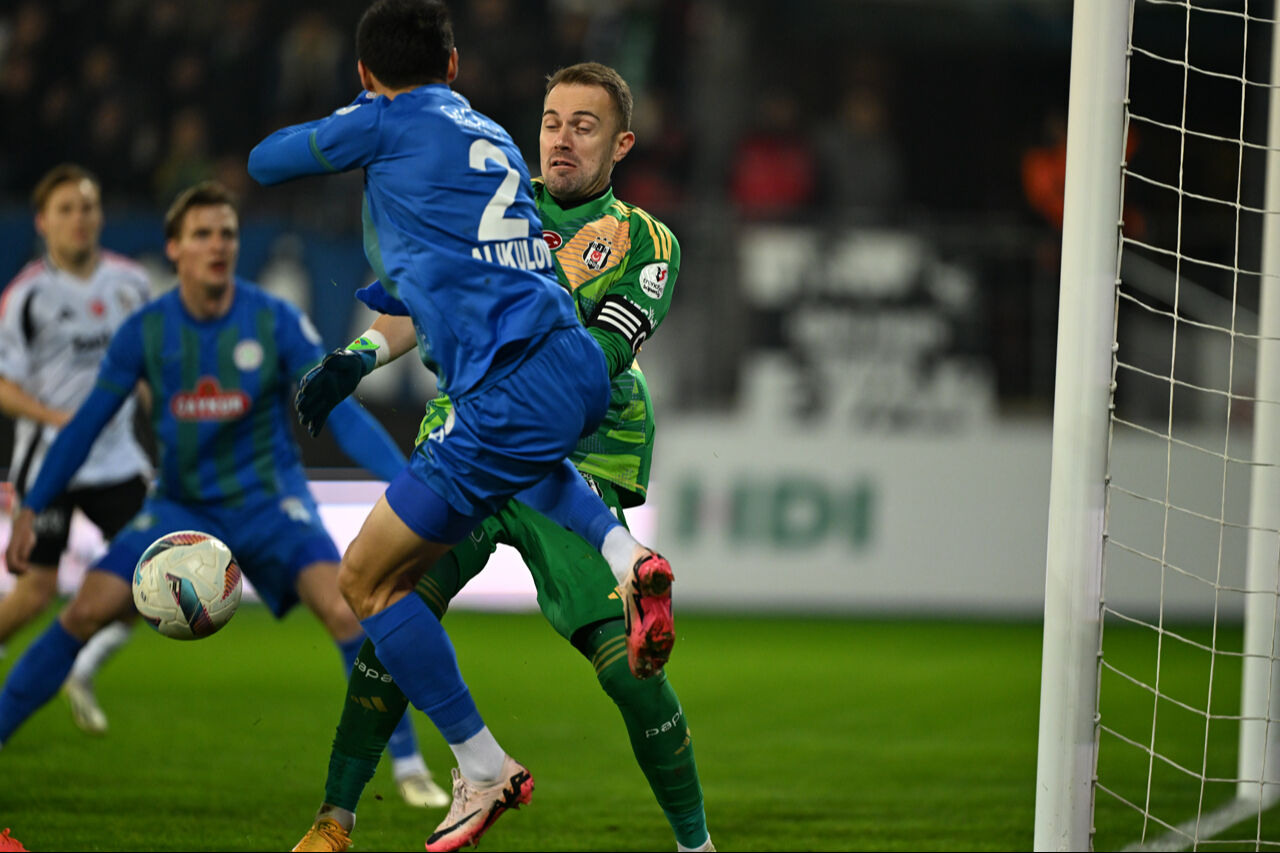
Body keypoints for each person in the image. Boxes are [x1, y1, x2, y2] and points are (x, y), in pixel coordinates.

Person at [248, 3, 677, 849]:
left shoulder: (391, 124)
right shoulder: (494, 146)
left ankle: (481, 765)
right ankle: (626, 553)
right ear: (452, 67)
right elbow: (454, 269)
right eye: (555, 121)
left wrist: (363, 116)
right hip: (564, 375)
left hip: (497, 396)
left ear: (367, 73)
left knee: (367, 584)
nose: (561, 138)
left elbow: (266, 161)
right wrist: (360, 355)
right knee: (524, 461)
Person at [0, 181, 448, 811]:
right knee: (83, 611)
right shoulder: (146, 330)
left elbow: (341, 414)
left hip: (271, 502)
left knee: (350, 610)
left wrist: (405, 482)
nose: (219, 246)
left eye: (228, 234)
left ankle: (407, 764)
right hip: (181, 507)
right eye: (203, 234)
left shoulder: (273, 319)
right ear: (174, 248)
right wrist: (33, 503)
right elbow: (85, 427)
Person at [0, 164, 151, 736]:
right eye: (66, 208)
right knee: (34, 593)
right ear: (42, 221)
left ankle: (80, 670)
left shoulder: (131, 283)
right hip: (50, 463)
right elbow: (3, 384)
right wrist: (62, 420)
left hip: (118, 460)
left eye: (87, 206)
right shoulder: (27, 296)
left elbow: (146, 366)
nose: (79, 218)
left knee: (150, 577)